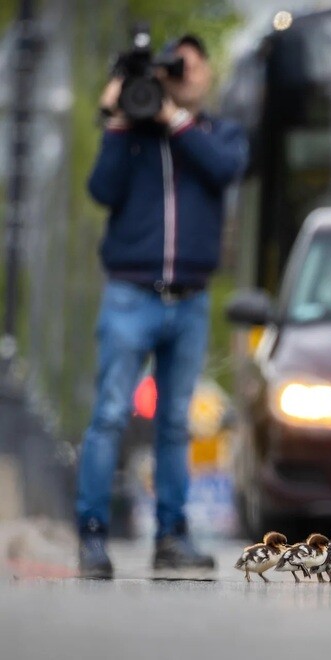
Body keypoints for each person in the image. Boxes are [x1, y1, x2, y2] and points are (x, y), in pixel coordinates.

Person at [77, 34, 248, 577]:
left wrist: (174, 118)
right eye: (171, 68)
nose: (181, 76)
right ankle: (93, 536)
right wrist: (119, 121)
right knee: (108, 415)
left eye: (189, 68)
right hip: (131, 294)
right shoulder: (132, 138)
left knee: (176, 423)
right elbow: (101, 191)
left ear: (207, 75)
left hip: (191, 299)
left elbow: (224, 169)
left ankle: (171, 537)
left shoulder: (218, 133)